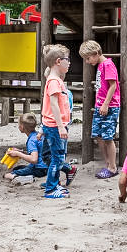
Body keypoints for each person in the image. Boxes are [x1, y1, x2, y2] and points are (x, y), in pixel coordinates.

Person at [79, 39, 120, 179]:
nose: (87, 61)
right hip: (100, 106)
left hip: (110, 106)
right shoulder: (100, 65)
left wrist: (106, 104)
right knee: (98, 135)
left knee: (108, 137)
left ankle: (112, 167)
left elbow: (113, 85)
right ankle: (107, 164)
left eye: (88, 58)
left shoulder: (108, 65)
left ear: (96, 53)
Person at [3, 112, 77, 186]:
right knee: (18, 168)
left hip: (40, 169)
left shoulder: (31, 141)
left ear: (21, 127)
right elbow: (39, 152)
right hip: (48, 166)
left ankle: (21, 178)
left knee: (8, 174)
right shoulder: (39, 135)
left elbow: (34, 160)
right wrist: (21, 152)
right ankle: (55, 181)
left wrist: (18, 154)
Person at [41, 44, 72, 199]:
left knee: (58, 157)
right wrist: (60, 127)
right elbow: (53, 105)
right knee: (58, 158)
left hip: (55, 125)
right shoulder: (53, 81)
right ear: (58, 61)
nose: (69, 63)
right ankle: (51, 189)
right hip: (54, 126)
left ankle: (54, 184)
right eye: (67, 60)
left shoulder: (56, 80)